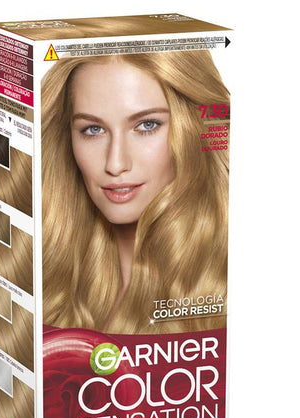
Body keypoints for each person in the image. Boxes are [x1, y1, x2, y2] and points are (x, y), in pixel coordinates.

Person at [42, 50, 229, 334]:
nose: (115, 164)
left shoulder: (226, 286)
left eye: (147, 125)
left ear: (192, 130)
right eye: (93, 129)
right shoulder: (52, 291)